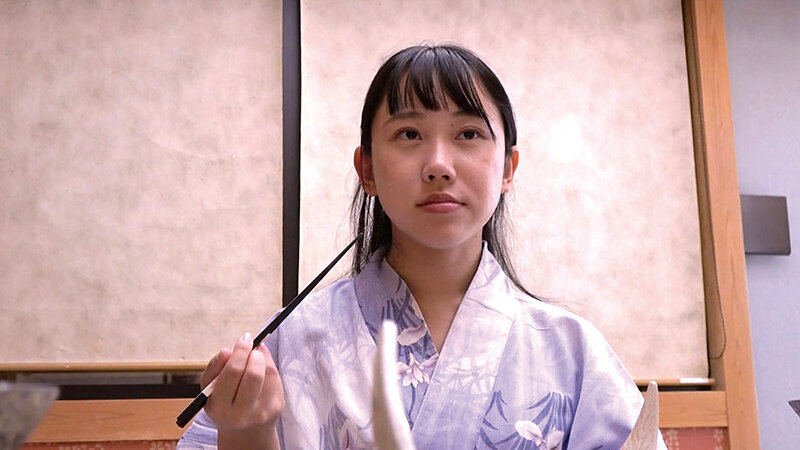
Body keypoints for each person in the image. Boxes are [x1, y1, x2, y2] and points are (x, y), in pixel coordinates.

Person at [178, 44, 666, 449]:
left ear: (508, 169)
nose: (438, 165)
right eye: (409, 134)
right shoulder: (293, 344)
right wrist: (247, 432)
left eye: (468, 134)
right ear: (367, 169)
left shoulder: (573, 353)